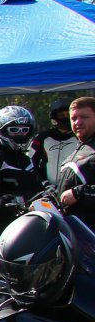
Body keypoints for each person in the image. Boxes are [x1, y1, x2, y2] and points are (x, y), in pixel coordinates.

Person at [0, 105, 46, 238]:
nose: (20, 134)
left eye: (24, 130)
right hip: (0, 229)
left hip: (29, 223)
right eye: (14, 130)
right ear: (1, 130)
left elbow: (37, 188)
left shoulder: (25, 159)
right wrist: (14, 206)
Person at [56, 97, 95, 229]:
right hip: (75, 234)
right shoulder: (77, 152)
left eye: (84, 117)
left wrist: (79, 193)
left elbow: (76, 193)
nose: (78, 122)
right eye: (73, 119)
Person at [32, 99, 80, 184]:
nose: (65, 117)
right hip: (47, 188)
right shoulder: (43, 137)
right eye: (61, 115)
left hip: (73, 188)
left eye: (68, 115)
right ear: (54, 117)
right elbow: (31, 161)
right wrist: (43, 181)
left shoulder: (80, 137)